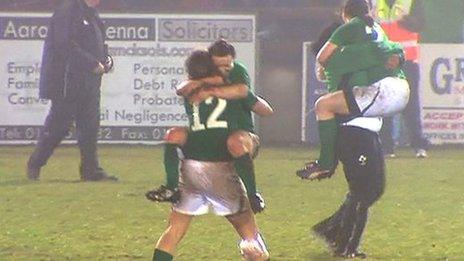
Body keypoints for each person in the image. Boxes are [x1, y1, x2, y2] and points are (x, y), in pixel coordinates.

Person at [151, 50, 270, 261]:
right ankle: (254, 199)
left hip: (191, 168)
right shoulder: (232, 90)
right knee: (249, 236)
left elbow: (182, 87)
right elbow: (264, 109)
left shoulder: (191, 91)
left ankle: (170, 187)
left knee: (173, 231)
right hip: (221, 167)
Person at [296, 0, 410, 180]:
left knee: (323, 106)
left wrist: (324, 67)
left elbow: (322, 57)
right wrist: (400, 57)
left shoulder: (349, 30)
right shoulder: (377, 31)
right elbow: (395, 50)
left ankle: (326, 163)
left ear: (344, 13)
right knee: (350, 114)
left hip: (384, 91)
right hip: (398, 89)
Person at [305, 19, 386, 259]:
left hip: (367, 128)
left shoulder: (352, 58)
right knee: (365, 190)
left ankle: (332, 231)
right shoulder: (343, 61)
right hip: (352, 130)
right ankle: (345, 245)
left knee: (372, 189)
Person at [26, 0, 117, 181]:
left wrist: (107, 60)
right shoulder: (68, 10)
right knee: (58, 126)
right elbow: (64, 45)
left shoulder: (92, 14)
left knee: (90, 126)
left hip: (89, 81)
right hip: (67, 81)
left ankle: (91, 170)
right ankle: (35, 163)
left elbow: (98, 43)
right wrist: (91, 63)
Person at [371, 0, 429, 158]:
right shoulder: (374, 2)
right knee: (383, 102)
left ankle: (418, 146)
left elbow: (420, 24)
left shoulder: (411, 2)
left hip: (406, 60)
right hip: (382, 61)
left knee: (410, 103)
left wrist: (406, 20)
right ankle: (387, 147)